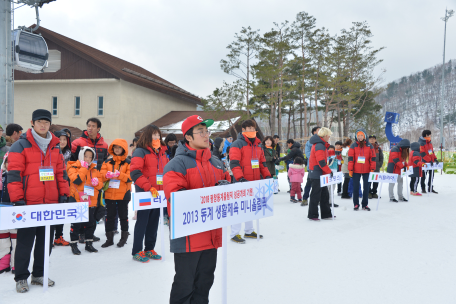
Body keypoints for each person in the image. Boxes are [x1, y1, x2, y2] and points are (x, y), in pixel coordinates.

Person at [163, 114, 230, 304]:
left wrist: (226, 188)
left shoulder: (216, 163)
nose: (205, 134)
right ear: (188, 137)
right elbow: (177, 200)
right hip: (188, 239)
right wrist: (212, 194)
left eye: (206, 130)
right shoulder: (176, 165)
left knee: (204, 284)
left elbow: (228, 192)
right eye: (200, 131)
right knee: (184, 287)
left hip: (211, 235)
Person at [8, 109, 69, 293]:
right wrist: (17, 198)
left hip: (49, 203)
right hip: (28, 204)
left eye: (46, 122)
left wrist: (64, 193)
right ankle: (21, 277)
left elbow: (61, 173)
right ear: (32, 123)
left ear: (50, 124)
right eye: (39, 122)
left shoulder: (55, 146)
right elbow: (14, 174)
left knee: (45, 242)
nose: (43, 125)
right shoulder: (20, 145)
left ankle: (39, 274)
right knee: (25, 243)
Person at [130, 125, 168, 262]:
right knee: (143, 221)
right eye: (154, 135)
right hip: (145, 193)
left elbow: (166, 172)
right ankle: (137, 251)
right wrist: (148, 187)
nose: (157, 138)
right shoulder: (140, 151)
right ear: (147, 136)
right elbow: (134, 172)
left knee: (153, 222)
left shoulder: (162, 152)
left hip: (158, 194)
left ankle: (149, 248)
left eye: (158, 135)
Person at [229, 119, 270, 243]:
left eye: (253, 128)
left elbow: (262, 163)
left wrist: (267, 176)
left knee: (251, 207)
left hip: (254, 181)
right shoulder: (237, 144)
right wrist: (240, 177)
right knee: (239, 207)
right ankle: (234, 233)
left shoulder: (258, 144)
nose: (252, 131)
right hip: (241, 181)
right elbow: (234, 163)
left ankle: (249, 231)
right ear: (243, 130)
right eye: (249, 128)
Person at [71, 118, 108, 242]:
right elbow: (73, 161)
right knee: (82, 209)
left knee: (95, 209)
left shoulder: (104, 145)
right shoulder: (78, 142)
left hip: (96, 182)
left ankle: (90, 234)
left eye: (93, 126)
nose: (90, 128)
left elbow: (104, 163)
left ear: (98, 129)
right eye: (88, 125)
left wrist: (101, 178)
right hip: (81, 182)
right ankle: (81, 234)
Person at [67, 147, 103, 254]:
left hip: (90, 200)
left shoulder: (95, 169)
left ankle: (89, 244)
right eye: (85, 156)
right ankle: (73, 244)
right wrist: (84, 167)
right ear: (81, 156)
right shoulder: (73, 166)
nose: (88, 159)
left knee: (90, 223)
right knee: (76, 224)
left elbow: (100, 185)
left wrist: (97, 183)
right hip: (77, 200)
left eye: (90, 157)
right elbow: (77, 180)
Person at [100, 139, 131, 248]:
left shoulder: (128, 162)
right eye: (115, 147)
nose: (117, 149)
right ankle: (109, 239)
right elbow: (101, 176)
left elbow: (130, 178)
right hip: (109, 193)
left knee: (123, 216)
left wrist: (119, 175)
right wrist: (106, 176)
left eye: (119, 147)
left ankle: (123, 238)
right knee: (109, 216)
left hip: (123, 194)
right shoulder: (107, 162)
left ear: (123, 149)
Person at [307, 127, 333, 220]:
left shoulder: (321, 145)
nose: (329, 137)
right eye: (329, 135)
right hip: (316, 173)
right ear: (325, 136)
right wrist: (329, 171)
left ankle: (326, 213)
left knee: (324, 194)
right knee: (316, 194)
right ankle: (313, 214)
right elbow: (321, 162)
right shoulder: (319, 145)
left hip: (320, 173)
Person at [52, 130, 72, 247]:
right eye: (60, 139)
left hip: (65, 186)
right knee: (51, 212)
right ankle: (48, 237)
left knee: (60, 212)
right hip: (52, 185)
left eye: (65, 139)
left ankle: (58, 236)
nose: (62, 141)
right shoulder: (51, 152)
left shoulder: (70, 154)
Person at [348, 128, 376, 211]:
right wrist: (350, 169)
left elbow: (373, 158)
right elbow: (350, 159)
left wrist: (372, 169)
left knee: (366, 188)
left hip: (367, 170)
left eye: (361, 135)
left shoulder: (369, 145)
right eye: (358, 136)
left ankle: (365, 204)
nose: (360, 137)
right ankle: (356, 204)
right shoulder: (353, 145)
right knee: (355, 188)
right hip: (356, 170)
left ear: (364, 136)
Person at [0, 152, 17, 275]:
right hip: (2, 211)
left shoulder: (18, 177)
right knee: (3, 238)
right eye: (7, 161)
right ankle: (4, 262)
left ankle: (16, 263)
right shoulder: (1, 176)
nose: (9, 164)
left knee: (16, 238)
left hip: (16, 211)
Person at [302, 126, 321, 206]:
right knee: (309, 183)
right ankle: (305, 198)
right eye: (318, 130)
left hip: (321, 166)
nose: (320, 131)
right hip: (312, 167)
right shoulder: (309, 142)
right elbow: (308, 153)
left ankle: (319, 199)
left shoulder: (322, 142)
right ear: (314, 132)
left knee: (320, 184)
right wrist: (317, 158)